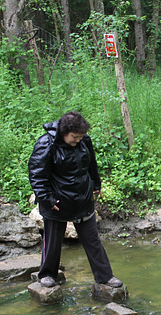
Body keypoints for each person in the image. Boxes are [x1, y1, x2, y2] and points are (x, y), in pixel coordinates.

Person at [28, 111, 122, 288]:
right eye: (74, 137)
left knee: (92, 239)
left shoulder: (84, 141)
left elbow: (91, 165)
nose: (77, 140)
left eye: (80, 136)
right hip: (56, 201)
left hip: (82, 198)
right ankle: (47, 274)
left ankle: (105, 276)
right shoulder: (46, 144)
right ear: (64, 131)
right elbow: (37, 175)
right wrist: (47, 199)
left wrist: (96, 185)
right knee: (53, 241)